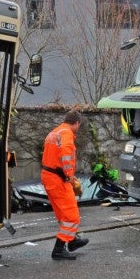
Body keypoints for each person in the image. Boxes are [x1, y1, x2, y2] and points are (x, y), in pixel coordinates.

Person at [41, 110, 89, 260]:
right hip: (58, 178)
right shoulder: (67, 134)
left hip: (49, 176)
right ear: (76, 123)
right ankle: (59, 249)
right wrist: (70, 176)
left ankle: (72, 240)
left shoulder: (54, 132)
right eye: (78, 126)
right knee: (72, 216)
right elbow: (66, 156)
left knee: (63, 213)